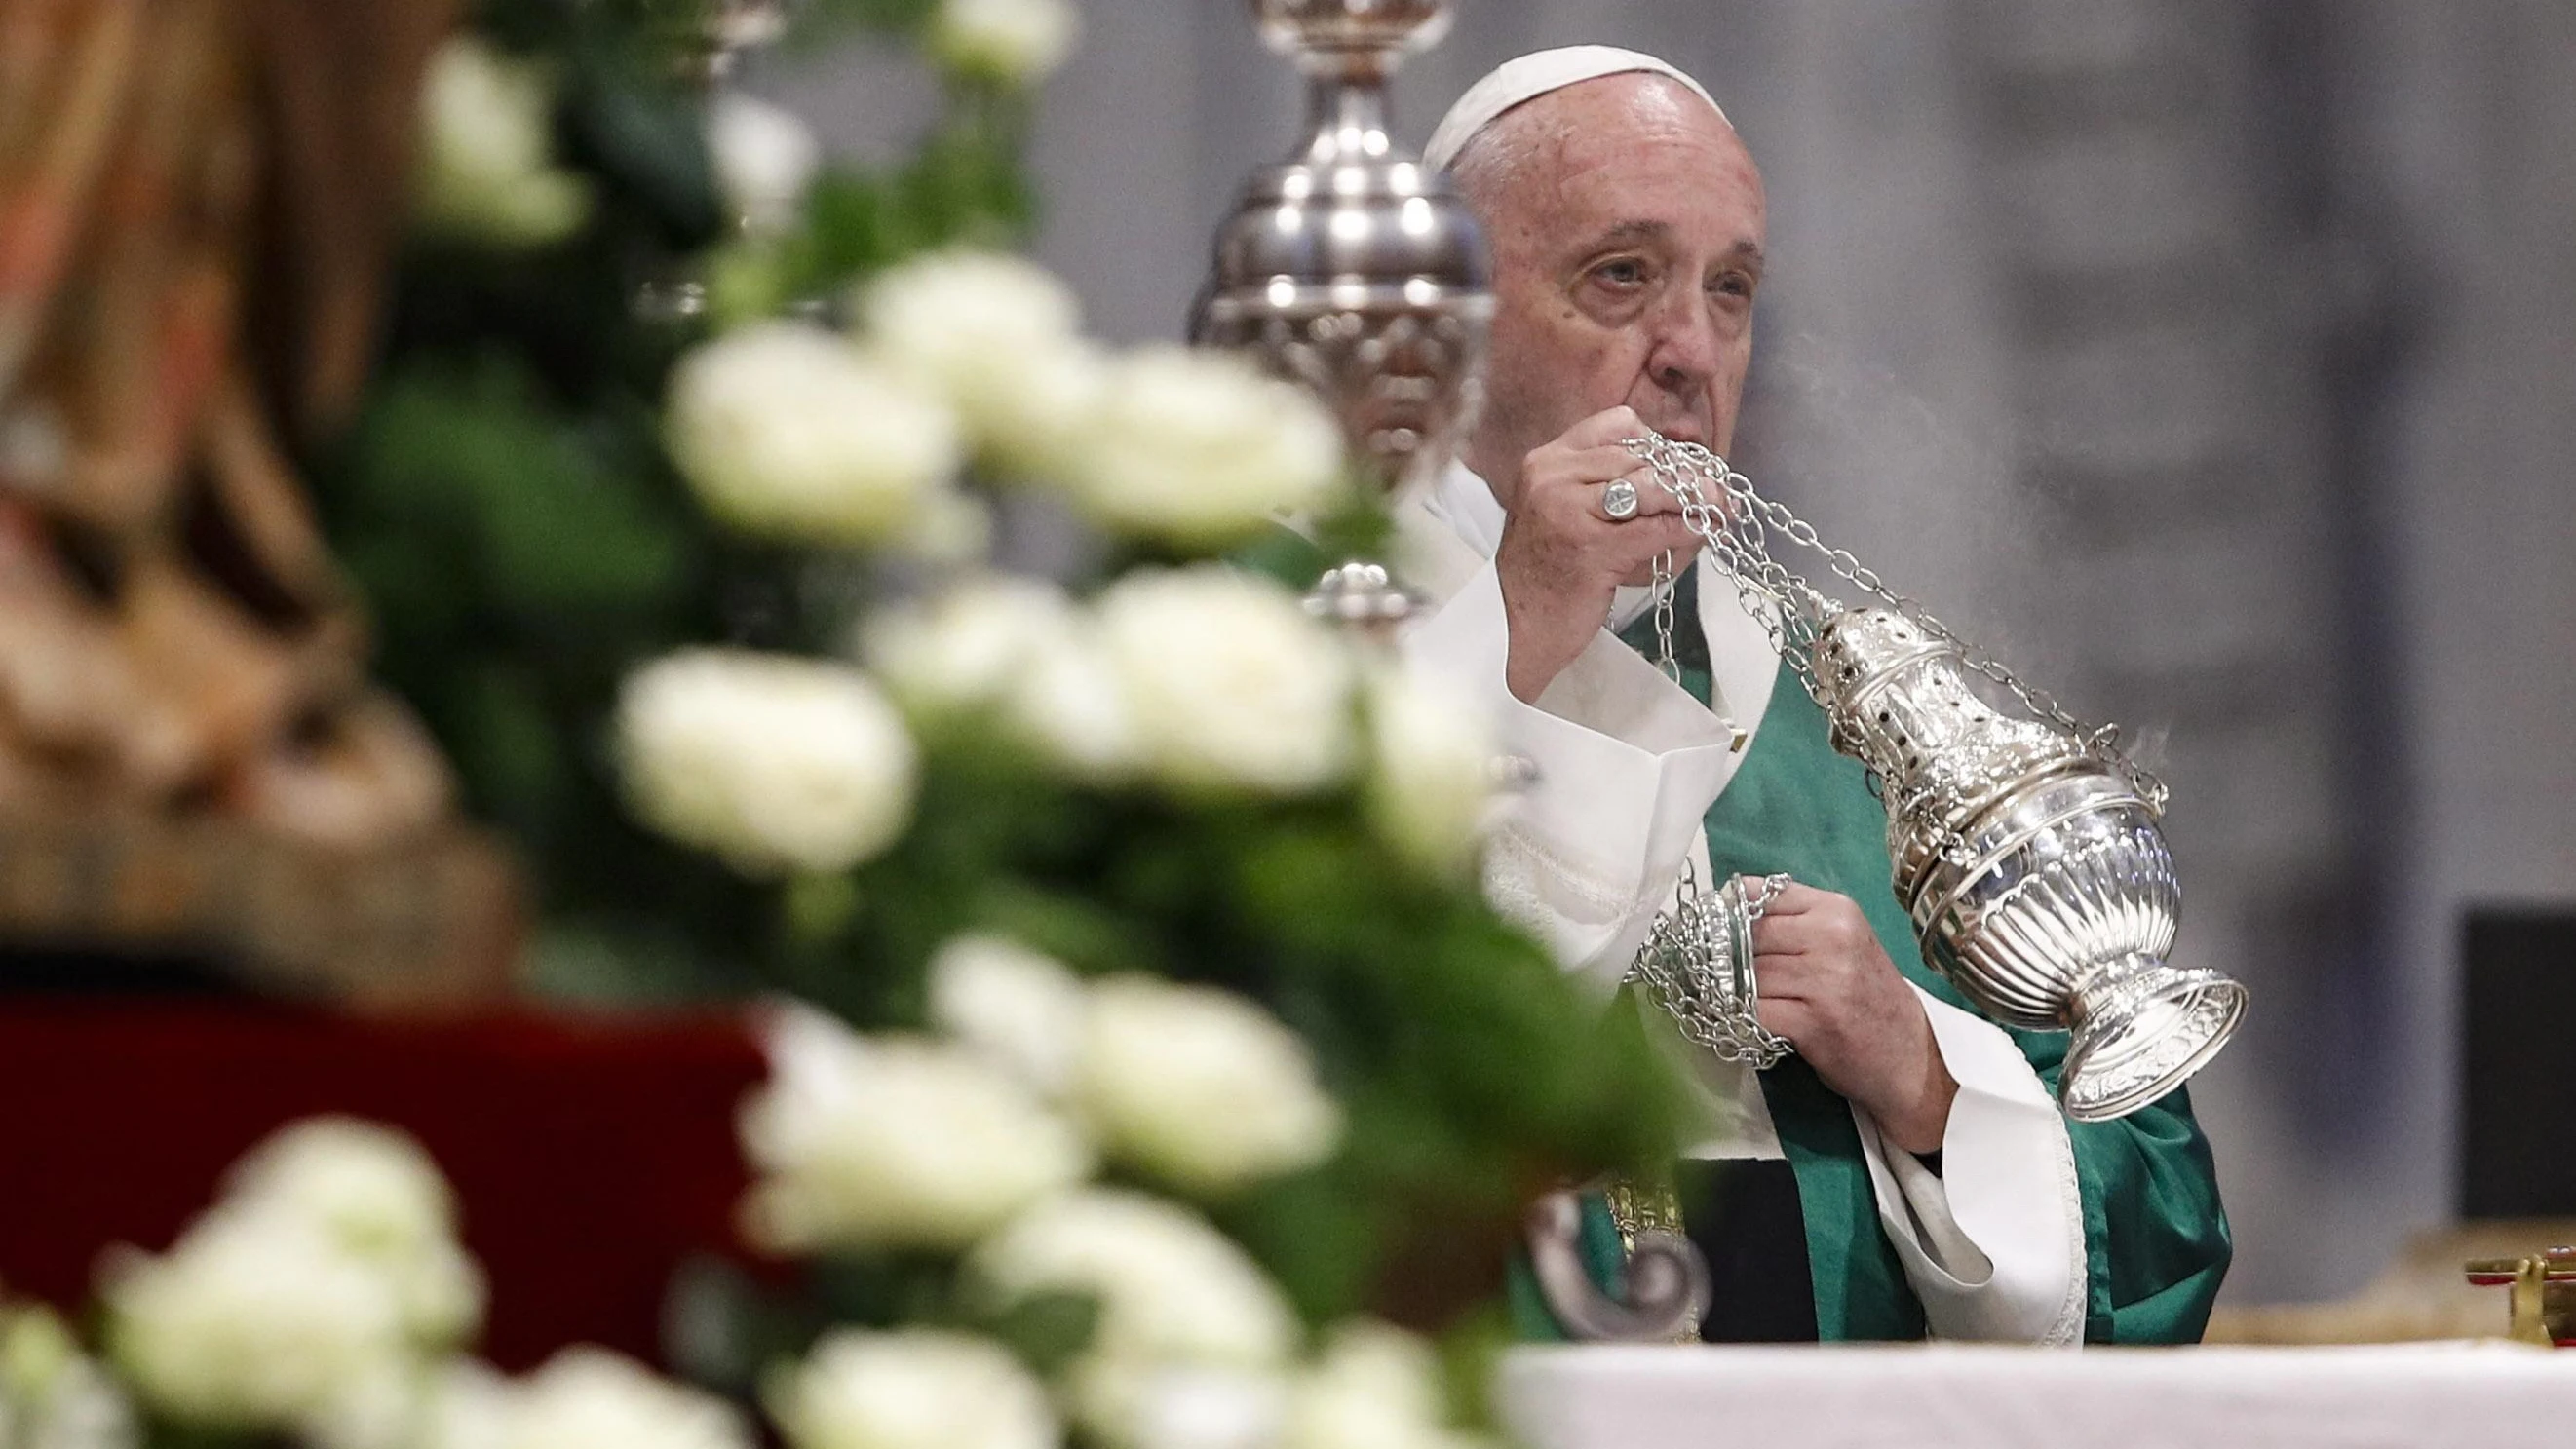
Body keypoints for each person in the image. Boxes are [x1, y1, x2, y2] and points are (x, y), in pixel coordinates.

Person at [1392, 47, 2229, 1345]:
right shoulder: (1282, 652)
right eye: (1621, 274)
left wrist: (1925, 1075)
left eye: (1729, 290)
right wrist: (1518, 626)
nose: (1688, 350)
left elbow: (2156, 1200)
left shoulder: (1857, 722)